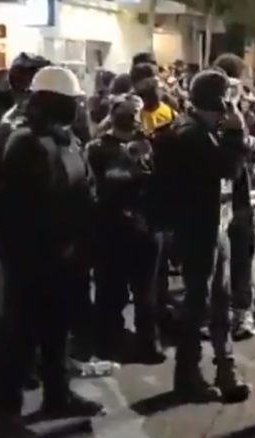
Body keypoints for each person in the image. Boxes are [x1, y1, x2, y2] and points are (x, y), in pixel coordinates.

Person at [0, 66, 105, 429]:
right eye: (72, 101)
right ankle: (6, 409)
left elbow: (82, 191)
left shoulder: (68, 140)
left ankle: (58, 395)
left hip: (67, 256)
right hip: (34, 258)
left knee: (57, 330)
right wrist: (47, 247)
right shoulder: (24, 142)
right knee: (22, 334)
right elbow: (17, 208)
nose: (79, 107)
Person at [151, 67, 253, 403]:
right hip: (198, 228)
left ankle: (223, 369)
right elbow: (228, 167)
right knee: (200, 303)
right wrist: (237, 135)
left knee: (217, 301)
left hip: (210, 225)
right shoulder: (193, 134)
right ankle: (190, 373)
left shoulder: (194, 129)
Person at [87, 95, 165, 364]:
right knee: (111, 290)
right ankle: (108, 341)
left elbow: (159, 181)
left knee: (146, 291)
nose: (133, 116)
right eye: (126, 111)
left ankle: (147, 342)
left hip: (145, 227)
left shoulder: (149, 144)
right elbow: (101, 185)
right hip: (112, 228)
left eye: (136, 111)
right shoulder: (99, 148)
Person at [213, 52, 255, 340]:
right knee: (212, 256)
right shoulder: (206, 104)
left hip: (243, 187)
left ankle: (242, 312)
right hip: (213, 186)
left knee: (241, 253)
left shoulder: (254, 106)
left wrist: (245, 140)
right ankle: (215, 314)